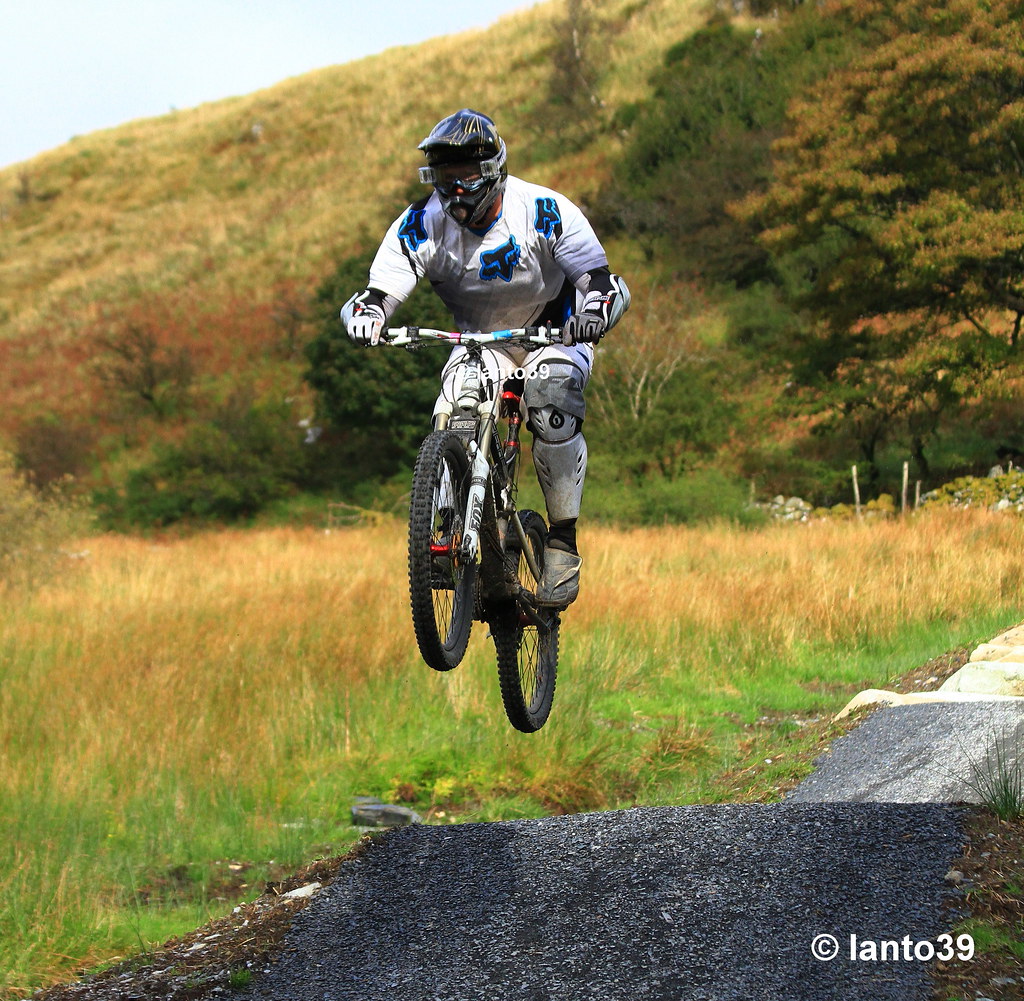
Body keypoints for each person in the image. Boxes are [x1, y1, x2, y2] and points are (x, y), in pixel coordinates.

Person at [341, 108, 629, 608]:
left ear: (493, 169)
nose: (454, 190)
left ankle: (561, 537)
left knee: (550, 403)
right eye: (443, 177)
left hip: (555, 329)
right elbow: (377, 293)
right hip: (479, 338)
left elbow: (601, 280)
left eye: (465, 176)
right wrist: (365, 316)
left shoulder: (543, 209)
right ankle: (451, 530)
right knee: (454, 410)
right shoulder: (419, 225)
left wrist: (593, 314)